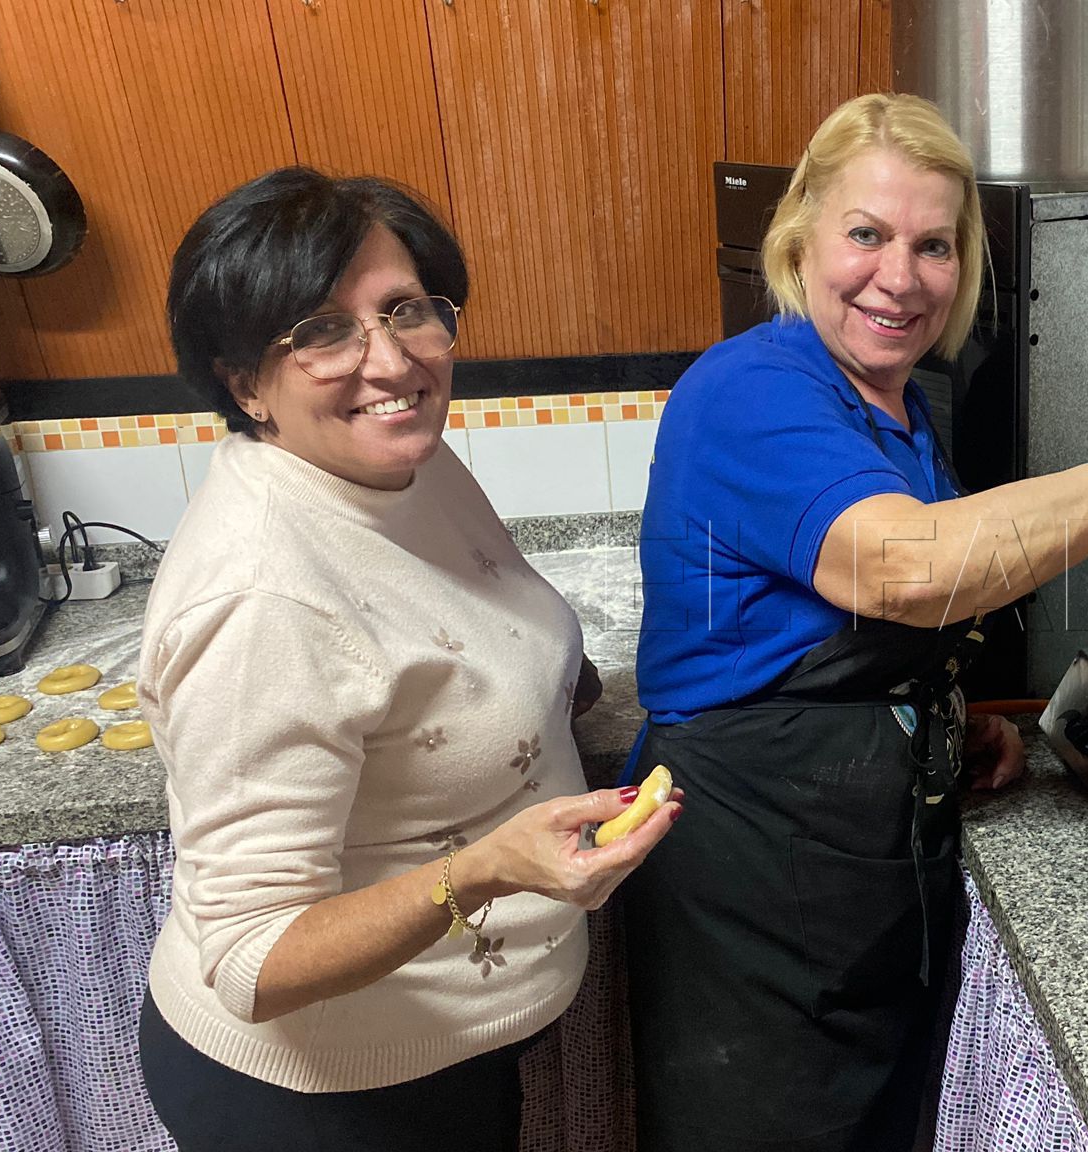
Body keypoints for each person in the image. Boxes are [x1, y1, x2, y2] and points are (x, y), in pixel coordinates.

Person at [624, 94, 1088, 1151]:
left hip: (854, 871)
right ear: (799, 240)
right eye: (865, 234)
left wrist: (941, 724)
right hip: (751, 891)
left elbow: (858, 628)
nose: (900, 277)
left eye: (933, 245)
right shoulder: (750, 389)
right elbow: (906, 569)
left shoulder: (895, 407)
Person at [135, 167, 680, 1152]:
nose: (389, 362)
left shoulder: (400, 466)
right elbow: (253, 958)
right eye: (321, 332)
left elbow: (460, 631)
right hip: (325, 1099)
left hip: (442, 1052)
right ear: (245, 384)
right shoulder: (261, 598)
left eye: (406, 311)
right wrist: (482, 870)